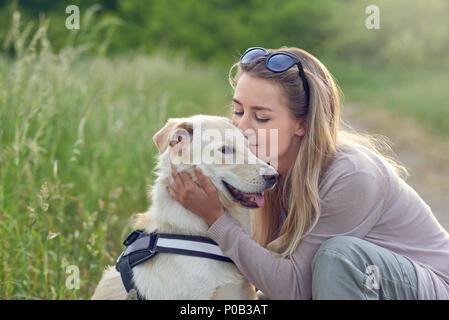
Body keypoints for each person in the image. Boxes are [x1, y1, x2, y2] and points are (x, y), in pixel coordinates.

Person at [166, 46, 449, 299]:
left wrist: (215, 219)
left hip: (433, 287)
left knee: (337, 256)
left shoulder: (352, 176)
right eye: (238, 111)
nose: (241, 129)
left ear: (301, 124)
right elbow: (269, 274)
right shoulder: (266, 171)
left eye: (261, 117)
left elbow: (294, 290)